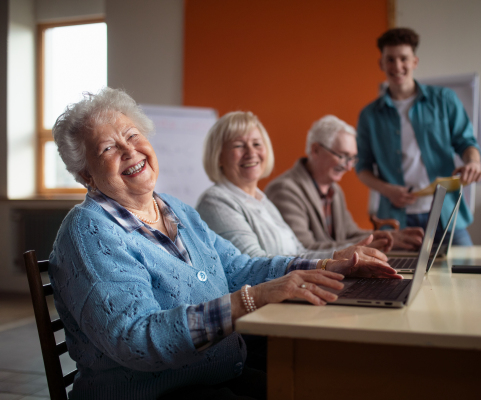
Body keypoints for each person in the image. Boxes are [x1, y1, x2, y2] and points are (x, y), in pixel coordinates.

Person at [48, 88, 400, 400]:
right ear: (86, 175)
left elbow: (238, 267)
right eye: (109, 147)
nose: (129, 150)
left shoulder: (175, 209)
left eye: (132, 135)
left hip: (220, 373)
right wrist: (252, 298)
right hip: (157, 393)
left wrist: (326, 264)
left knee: (327, 383)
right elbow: (136, 340)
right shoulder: (89, 233)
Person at [196, 111, 394, 263]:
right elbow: (252, 265)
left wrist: (345, 255)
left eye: (257, 144)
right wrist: (337, 259)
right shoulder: (216, 202)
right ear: (218, 156)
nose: (251, 152)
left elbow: (299, 252)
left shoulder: (261, 200)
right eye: (239, 145)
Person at [356, 28, 481, 245]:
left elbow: (466, 142)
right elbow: (363, 168)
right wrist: (388, 190)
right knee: (397, 278)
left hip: (446, 213)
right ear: (381, 64)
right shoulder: (369, 115)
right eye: (390, 59)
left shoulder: (444, 99)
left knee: (466, 273)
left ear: (415, 61)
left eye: (403, 59)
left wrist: (473, 162)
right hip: (397, 220)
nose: (397, 66)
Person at [264, 115, 424, 251]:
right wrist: (375, 243)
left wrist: (391, 237)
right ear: (315, 150)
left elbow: (350, 234)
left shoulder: (335, 189)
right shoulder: (284, 190)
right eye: (342, 156)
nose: (348, 166)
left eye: (352, 158)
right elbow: (304, 248)